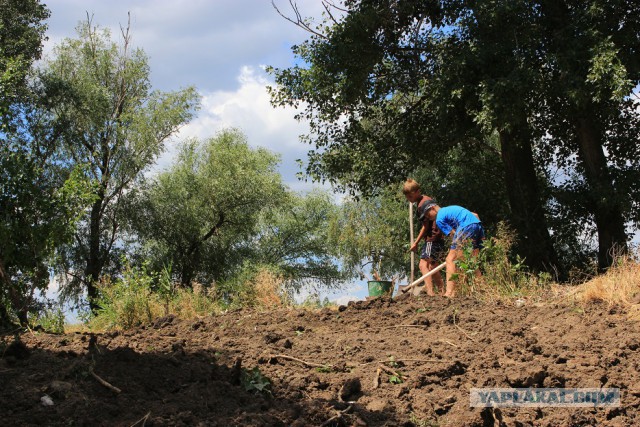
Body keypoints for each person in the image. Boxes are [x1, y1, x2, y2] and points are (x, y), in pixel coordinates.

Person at [420, 201, 484, 297]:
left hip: (466, 227)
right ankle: (483, 289)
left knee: (451, 259)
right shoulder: (450, 209)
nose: (427, 218)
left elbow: (453, 234)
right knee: (472, 261)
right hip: (477, 226)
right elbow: (475, 215)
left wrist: (456, 248)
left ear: (432, 208)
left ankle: (450, 292)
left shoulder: (439, 219)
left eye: (427, 214)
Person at [402, 179, 445, 296]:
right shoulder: (427, 199)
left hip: (432, 236)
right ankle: (442, 292)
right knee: (433, 266)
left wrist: (416, 242)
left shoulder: (422, 204)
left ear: (417, 191)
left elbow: (425, 227)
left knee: (423, 265)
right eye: (407, 197)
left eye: (411, 196)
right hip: (439, 234)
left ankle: (430, 293)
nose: (410, 199)